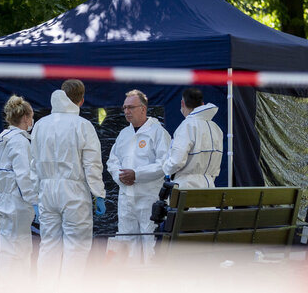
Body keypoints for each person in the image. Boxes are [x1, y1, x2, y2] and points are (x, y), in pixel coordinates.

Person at [31, 79, 106, 283]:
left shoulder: (40, 125)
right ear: (81, 101)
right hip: (74, 192)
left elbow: (33, 163)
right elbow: (92, 165)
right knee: (76, 247)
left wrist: (34, 198)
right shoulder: (83, 125)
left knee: (49, 246)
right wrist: (98, 194)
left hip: (46, 192)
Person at [106, 89, 170, 264]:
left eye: (131, 107)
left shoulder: (158, 132)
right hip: (126, 197)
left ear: (143, 109)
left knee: (150, 243)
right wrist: (121, 177)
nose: (126, 111)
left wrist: (137, 175)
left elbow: (164, 163)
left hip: (149, 198)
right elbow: (112, 161)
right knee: (126, 242)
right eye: (125, 108)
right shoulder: (124, 134)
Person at [0, 96, 38, 283]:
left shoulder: (5, 140)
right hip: (16, 204)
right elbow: (24, 176)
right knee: (19, 251)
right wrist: (34, 201)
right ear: (26, 117)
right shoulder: (19, 142)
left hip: (4, 200)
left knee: (8, 250)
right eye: (32, 117)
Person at [163, 88, 223, 188]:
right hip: (209, 186)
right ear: (202, 104)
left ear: (182, 103)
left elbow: (176, 161)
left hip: (185, 187)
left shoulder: (187, 126)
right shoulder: (216, 128)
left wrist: (166, 168)